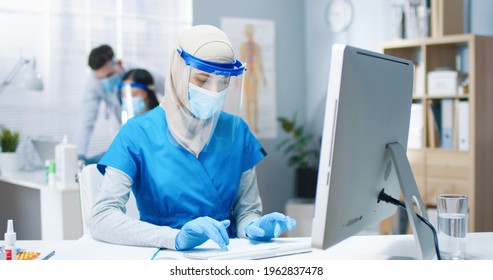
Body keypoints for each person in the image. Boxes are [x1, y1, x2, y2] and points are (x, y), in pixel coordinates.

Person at [90, 25, 296, 251]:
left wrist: (253, 227)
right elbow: (102, 218)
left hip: (225, 256)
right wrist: (174, 238)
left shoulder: (237, 131)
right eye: (202, 79)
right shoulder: (137, 133)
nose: (214, 91)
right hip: (163, 255)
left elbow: (246, 211)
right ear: (180, 71)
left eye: (223, 82)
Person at [75, 45, 165, 163]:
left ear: (119, 63)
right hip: (128, 138)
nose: (106, 81)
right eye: (101, 78)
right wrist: (79, 156)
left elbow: (173, 95)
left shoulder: (145, 74)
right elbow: (86, 120)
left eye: (109, 75)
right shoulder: (94, 83)